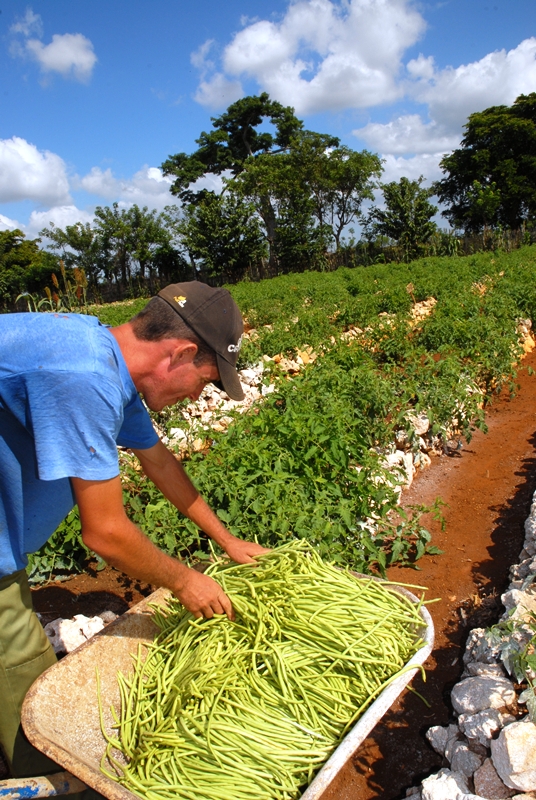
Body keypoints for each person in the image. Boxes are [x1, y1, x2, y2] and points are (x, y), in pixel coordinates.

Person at [0, 280, 269, 780]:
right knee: (19, 665)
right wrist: (188, 582)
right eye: (205, 381)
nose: (197, 395)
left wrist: (227, 539)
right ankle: (55, 780)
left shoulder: (101, 355)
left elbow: (159, 462)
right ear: (182, 352)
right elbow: (104, 534)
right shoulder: (84, 375)